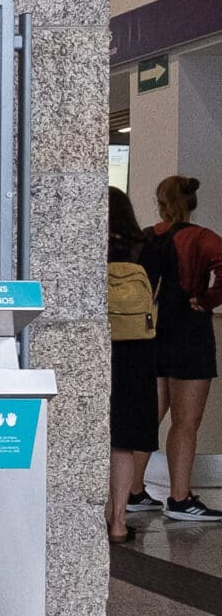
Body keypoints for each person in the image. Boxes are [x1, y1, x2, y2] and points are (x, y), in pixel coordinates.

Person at [151, 174, 222, 521]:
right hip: (190, 333)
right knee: (185, 423)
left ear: (161, 202)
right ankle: (180, 498)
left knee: (146, 420)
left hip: (148, 332)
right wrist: (207, 299)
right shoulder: (203, 238)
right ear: (191, 202)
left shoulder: (148, 238)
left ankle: (132, 492)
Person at [108, 187, 164, 540]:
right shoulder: (149, 249)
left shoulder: (89, 248)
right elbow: (158, 296)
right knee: (123, 441)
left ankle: (90, 515)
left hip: (100, 346)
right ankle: (118, 522)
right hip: (138, 350)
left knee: (94, 433)